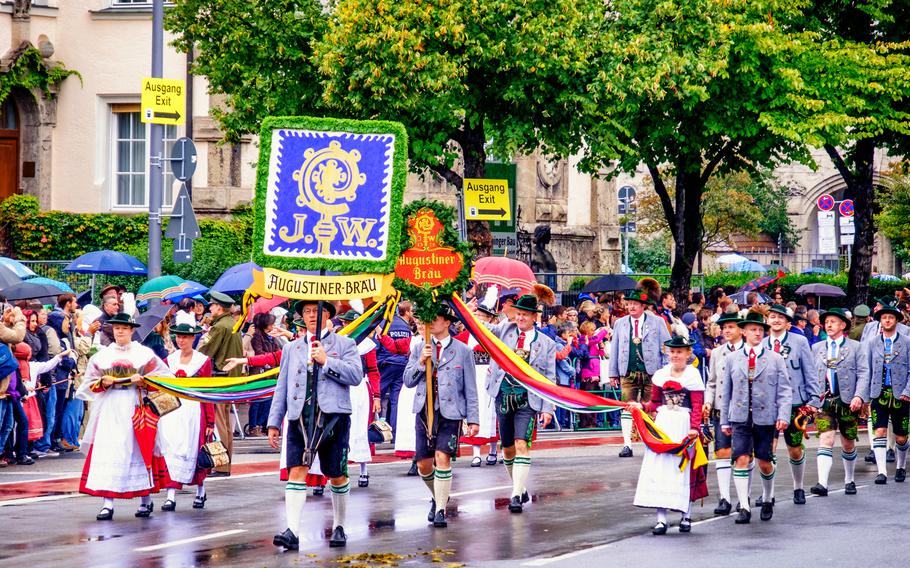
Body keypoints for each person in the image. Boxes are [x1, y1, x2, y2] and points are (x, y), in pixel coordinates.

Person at [267, 299, 362, 550]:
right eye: (306, 312)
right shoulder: (292, 348)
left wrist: (326, 361)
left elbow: (355, 375)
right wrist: (274, 421)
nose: (311, 315)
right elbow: (282, 385)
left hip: (333, 418)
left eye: (315, 311)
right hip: (300, 416)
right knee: (296, 470)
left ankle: (340, 526)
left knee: (337, 474)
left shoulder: (345, 344)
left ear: (327, 315)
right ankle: (293, 531)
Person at [75, 312, 174, 520]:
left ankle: (145, 499)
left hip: (134, 404)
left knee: (139, 447)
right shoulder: (102, 355)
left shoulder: (144, 354)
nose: (119, 331)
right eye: (116, 328)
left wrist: (144, 382)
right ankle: (107, 503)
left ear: (131, 330)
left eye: (124, 328)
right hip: (111, 406)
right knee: (109, 450)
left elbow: (164, 377)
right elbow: (88, 384)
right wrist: (102, 383)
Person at [470, 294, 555, 513]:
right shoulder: (504, 330)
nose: (520, 318)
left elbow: (549, 378)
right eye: (518, 313)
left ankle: (515, 495)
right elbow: (481, 329)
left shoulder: (546, 344)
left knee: (521, 444)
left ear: (534, 317)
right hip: (503, 394)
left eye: (524, 315)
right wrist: (468, 311)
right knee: (506, 449)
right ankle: (520, 486)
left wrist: (547, 408)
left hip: (528, 398)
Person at [403, 305, 479, 527]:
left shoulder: (463, 350)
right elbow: (408, 380)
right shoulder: (419, 347)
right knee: (423, 465)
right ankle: (438, 495)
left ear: (447, 323)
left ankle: (441, 511)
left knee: (442, 458)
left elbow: (471, 387)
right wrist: (420, 362)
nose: (430, 323)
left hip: (451, 411)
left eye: (435, 319)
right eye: (428, 319)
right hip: (424, 410)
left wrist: (473, 418)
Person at [720, 311, 792, 524]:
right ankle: (744, 506)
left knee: (764, 462)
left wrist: (783, 415)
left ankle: (768, 497)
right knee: (741, 459)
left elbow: (784, 390)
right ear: (743, 331)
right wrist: (725, 419)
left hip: (766, 417)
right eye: (753, 330)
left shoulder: (775, 359)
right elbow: (727, 392)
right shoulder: (733, 358)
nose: (757, 334)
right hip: (740, 416)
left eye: (761, 330)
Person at [631, 336, 706, 534]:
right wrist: (642, 406)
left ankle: (686, 515)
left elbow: (697, 406)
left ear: (688, 354)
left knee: (682, 468)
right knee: (660, 468)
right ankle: (661, 519)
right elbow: (655, 402)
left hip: (683, 423)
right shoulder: (661, 374)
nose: (675, 355)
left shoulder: (693, 375)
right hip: (664, 424)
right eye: (672, 351)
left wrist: (695, 429)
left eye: (680, 352)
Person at [761, 304, 820, 505]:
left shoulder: (800, 341)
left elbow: (810, 372)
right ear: (767, 321)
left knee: (794, 448)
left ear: (788, 322)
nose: (776, 320)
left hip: (796, 402)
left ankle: (798, 486)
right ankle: (767, 493)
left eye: (780, 317)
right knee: (767, 449)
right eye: (772, 317)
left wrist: (814, 400)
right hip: (768, 404)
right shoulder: (761, 344)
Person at [809, 307, 869, 497]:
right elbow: (810, 376)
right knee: (826, 439)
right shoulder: (816, 348)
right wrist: (811, 400)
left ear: (843, 325)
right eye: (826, 322)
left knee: (848, 442)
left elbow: (864, 373)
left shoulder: (855, 347)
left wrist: (859, 396)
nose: (829, 324)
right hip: (824, 400)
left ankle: (849, 479)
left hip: (848, 401)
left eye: (833, 321)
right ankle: (822, 483)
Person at [159, 323, 215, 511]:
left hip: (194, 411)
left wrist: (210, 420)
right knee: (171, 449)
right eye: (178, 336)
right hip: (173, 411)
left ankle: (200, 490)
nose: (180, 340)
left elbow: (207, 391)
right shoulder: (170, 360)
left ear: (193, 338)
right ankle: (170, 495)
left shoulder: (203, 361)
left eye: (184, 337)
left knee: (194, 451)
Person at [608, 290, 671, 457]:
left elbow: (666, 347)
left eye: (635, 304)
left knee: (651, 407)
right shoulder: (620, 323)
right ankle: (627, 445)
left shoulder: (657, 322)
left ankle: (653, 442)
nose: (631, 306)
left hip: (652, 372)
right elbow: (615, 348)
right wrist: (613, 373)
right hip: (627, 371)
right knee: (627, 407)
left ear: (643, 306)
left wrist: (665, 371)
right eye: (629, 303)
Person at [863, 299, 910, 483]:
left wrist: (908, 390)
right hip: (878, 393)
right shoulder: (872, 342)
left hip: (901, 394)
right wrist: (865, 397)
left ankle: (900, 466)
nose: (887, 320)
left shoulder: (907, 342)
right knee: (879, 431)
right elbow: (866, 369)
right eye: (884, 318)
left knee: (901, 437)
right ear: (880, 321)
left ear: (897, 321)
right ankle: (881, 471)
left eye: (891, 317)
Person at [198, 290, 244, 477]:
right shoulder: (232, 324)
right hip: (230, 377)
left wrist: (204, 334)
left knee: (218, 423)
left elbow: (204, 351)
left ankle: (220, 464)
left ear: (219, 307)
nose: (210, 308)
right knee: (225, 423)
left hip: (219, 376)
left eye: (212, 305)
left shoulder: (219, 327)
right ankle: (225, 464)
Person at [703, 312, 743, 515]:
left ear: (741, 329)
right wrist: (708, 402)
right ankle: (724, 498)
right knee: (722, 451)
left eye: (731, 327)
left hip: (744, 410)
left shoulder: (749, 350)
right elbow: (711, 382)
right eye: (724, 327)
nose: (726, 331)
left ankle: (743, 498)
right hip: (721, 409)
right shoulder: (717, 352)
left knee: (744, 455)